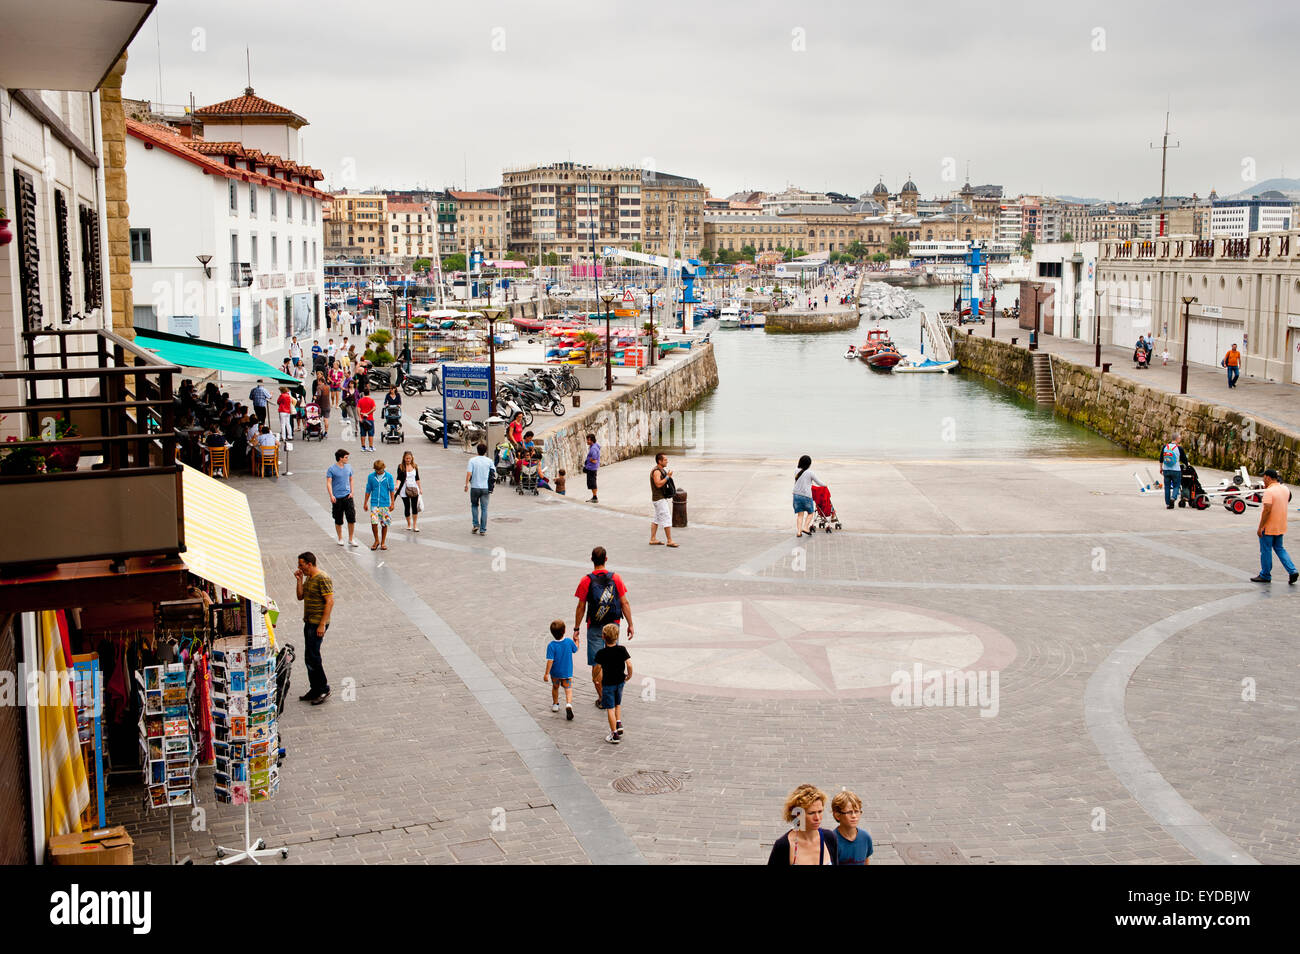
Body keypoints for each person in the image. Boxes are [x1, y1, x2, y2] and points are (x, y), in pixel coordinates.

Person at [573, 546, 633, 707]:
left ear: (591, 559)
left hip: (595, 625)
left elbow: (581, 606)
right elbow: (624, 602)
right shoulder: (617, 578)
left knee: (597, 662)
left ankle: (603, 698)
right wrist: (630, 624)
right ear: (606, 559)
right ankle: (613, 692)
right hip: (613, 624)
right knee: (612, 659)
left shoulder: (586, 580)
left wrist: (576, 628)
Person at [294, 551, 333, 705]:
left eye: (301, 565)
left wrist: (322, 624)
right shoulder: (309, 578)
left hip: (317, 623)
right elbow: (300, 596)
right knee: (309, 656)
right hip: (309, 622)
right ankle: (315, 688)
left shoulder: (322, 578)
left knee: (314, 656)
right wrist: (299, 580)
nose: (299, 567)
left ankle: (323, 688)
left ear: (309, 564)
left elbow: (329, 601)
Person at [767, 784, 837, 865]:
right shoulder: (784, 845)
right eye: (811, 813)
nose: (817, 818)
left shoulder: (829, 838)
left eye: (820, 811)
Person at [1251, 469, 1297, 584]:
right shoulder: (1285, 489)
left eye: (1263, 477)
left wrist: (1261, 527)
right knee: (1280, 548)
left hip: (1269, 527)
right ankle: (1292, 570)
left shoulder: (1269, 491)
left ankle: (1265, 575)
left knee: (1266, 550)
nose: (1263, 480)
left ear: (1267, 477)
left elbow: (1267, 510)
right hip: (1280, 525)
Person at [592, 623, 631, 744]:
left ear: (603, 636)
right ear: (617, 636)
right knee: (617, 704)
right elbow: (629, 664)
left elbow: (597, 668)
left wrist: (595, 678)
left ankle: (614, 734)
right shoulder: (622, 649)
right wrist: (629, 675)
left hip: (608, 684)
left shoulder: (601, 653)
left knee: (610, 708)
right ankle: (618, 723)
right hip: (620, 682)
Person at [543, 619, 577, 720]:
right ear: (564, 631)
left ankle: (555, 704)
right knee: (568, 689)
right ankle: (568, 704)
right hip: (567, 672)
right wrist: (577, 640)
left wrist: (546, 674)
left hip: (555, 673)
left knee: (555, 687)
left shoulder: (551, 645)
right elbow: (575, 649)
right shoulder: (569, 642)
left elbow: (550, 661)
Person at [326, 448, 359, 547]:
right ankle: (340, 538)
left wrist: (352, 492)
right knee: (338, 518)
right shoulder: (331, 469)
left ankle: (351, 538)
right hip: (337, 497)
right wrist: (331, 495)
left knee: (351, 518)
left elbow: (351, 479)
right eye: (346, 457)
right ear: (340, 458)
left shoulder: (348, 467)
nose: (347, 459)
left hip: (348, 496)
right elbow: (329, 483)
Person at [831, 790, 873, 866]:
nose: (854, 816)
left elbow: (866, 861)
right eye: (849, 812)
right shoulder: (832, 841)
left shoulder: (865, 837)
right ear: (837, 815)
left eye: (857, 811)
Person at [364, 458, 396, 550]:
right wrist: (365, 502)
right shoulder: (371, 477)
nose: (378, 471)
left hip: (385, 503)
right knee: (374, 523)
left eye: (380, 470)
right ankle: (376, 540)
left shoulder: (388, 476)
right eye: (376, 470)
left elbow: (392, 490)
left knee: (384, 523)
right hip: (374, 503)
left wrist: (392, 503)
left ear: (384, 468)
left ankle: (383, 542)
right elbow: (368, 490)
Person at [649, 452, 677, 547]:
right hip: (659, 499)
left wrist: (667, 476)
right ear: (659, 461)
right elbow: (658, 484)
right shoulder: (656, 471)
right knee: (667, 518)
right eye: (665, 460)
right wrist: (668, 477)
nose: (667, 461)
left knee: (656, 519)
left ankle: (653, 539)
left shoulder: (662, 470)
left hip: (659, 498)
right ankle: (669, 540)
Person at [793, 454, 825, 537]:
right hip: (806, 496)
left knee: (800, 515)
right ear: (809, 464)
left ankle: (799, 532)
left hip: (796, 495)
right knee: (810, 513)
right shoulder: (810, 473)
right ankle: (805, 527)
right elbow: (819, 482)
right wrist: (825, 485)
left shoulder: (796, 470)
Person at [465, 442, 494, 534]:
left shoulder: (472, 460)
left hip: (474, 487)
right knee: (484, 508)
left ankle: (475, 524)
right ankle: (483, 529)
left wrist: (466, 484)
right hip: (485, 488)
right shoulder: (489, 461)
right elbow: (493, 473)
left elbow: (469, 473)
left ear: (477, 451)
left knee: (474, 505)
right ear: (485, 451)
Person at [396, 450, 423, 531]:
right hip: (404, 489)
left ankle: (415, 525)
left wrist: (420, 488)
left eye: (409, 458)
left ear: (412, 458)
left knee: (414, 507)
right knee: (407, 507)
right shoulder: (401, 466)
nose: (408, 460)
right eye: (406, 458)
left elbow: (417, 478)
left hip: (414, 488)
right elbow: (399, 478)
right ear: (404, 458)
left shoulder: (415, 466)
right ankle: (409, 524)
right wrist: (397, 485)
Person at [1159, 434, 1183, 510]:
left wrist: (1161, 468)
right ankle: (1173, 498)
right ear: (1176, 439)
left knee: (1167, 487)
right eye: (1179, 438)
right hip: (1176, 470)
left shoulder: (1165, 447)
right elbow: (1184, 459)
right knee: (1176, 485)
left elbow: (1161, 459)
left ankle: (1168, 503)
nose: (1180, 439)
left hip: (1166, 470)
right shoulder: (1179, 448)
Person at [583, 433, 601, 503]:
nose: (587, 441)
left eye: (588, 440)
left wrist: (590, 460)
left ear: (591, 440)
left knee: (593, 483)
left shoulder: (593, 448)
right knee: (592, 483)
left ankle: (595, 497)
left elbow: (595, 460)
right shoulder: (594, 446)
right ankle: (594, 497)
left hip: (591, 469)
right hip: (591, 468)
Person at [313, 372, 332, 436]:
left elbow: (319, 395)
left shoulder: (319, 387)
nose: (318, 382)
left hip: (320, 405)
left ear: (320, 381)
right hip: (327, 405)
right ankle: (326, 432)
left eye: (318, 381)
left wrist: (315, 398)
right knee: (326, 419)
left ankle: (318, 430)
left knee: (317, 418)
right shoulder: (328, 387)